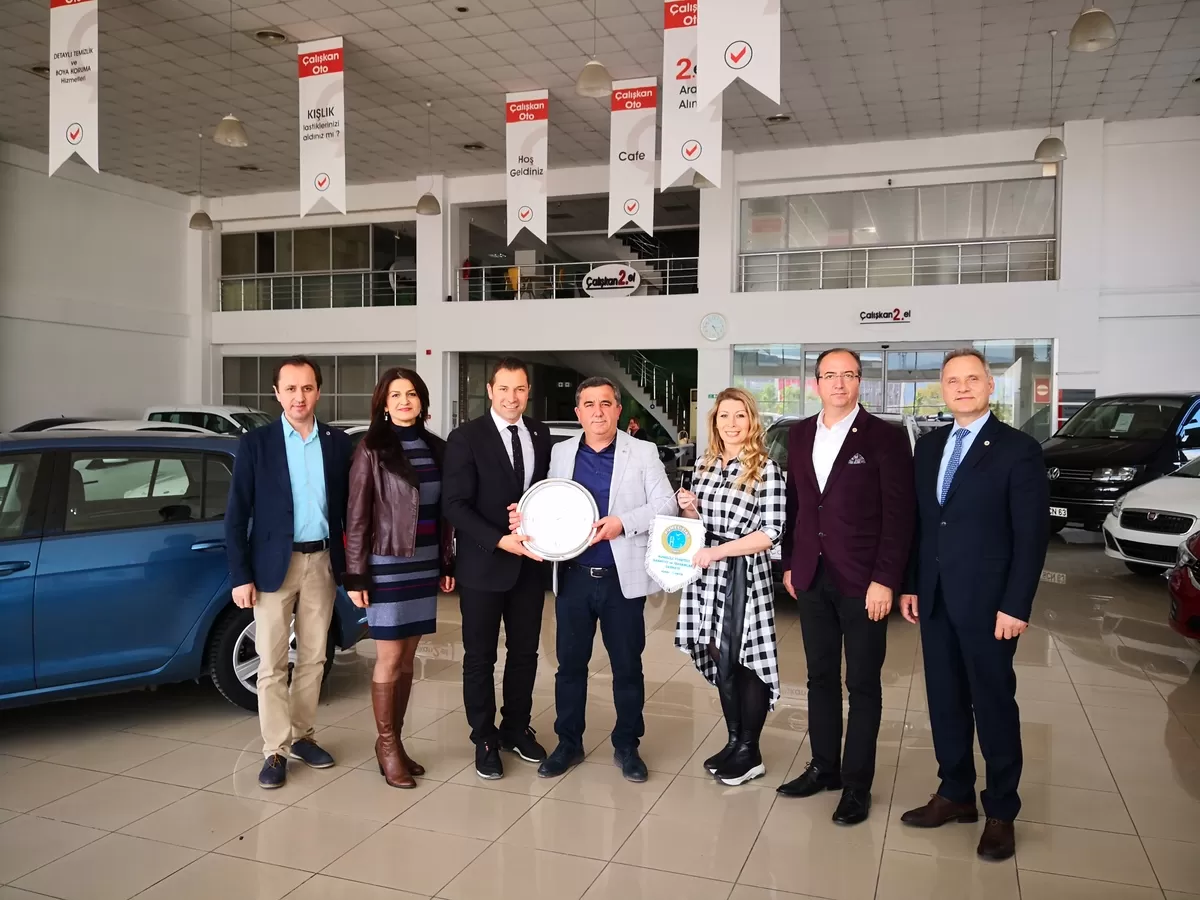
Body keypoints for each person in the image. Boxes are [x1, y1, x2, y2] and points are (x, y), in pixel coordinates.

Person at [898, 349, 1049, 861]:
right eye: (952, 381)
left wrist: (1017, 604)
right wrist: (912, 584)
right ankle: (956, 792)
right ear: (942, 389)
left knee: (993, 703)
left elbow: (1031, 536)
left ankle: (1001, 809)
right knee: (944, 699)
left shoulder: (1018, 449)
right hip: (936, 597)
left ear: (989, 386)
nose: (962, 388)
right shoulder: (929, 446)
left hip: (990, 604)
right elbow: (923, 524)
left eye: (972, 379)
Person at [777, 348, 914, 826]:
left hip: (863, 583)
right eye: (830, 375)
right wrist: (791, 564)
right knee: (818, 678)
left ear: (860, 381)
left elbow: (899, 516)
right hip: (811, 577)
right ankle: (824, 767)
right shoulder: (799, 434)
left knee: (862, 684)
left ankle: (857, 785)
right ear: (816, 383)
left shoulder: (885, 437)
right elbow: (796, 505)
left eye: (848, 375)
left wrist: (886, 580)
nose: (839, 383)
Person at [519, 377, 677, 782]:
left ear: (618, 410)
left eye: (606, 403)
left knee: (627, 667)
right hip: (573, 577)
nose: (598, 411)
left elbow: (666, 504)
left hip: (621, 579)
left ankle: (627, 745)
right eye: (589, 404)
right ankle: (568, 743)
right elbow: (547, 502)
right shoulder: (561, 453)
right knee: (570, 666)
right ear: (578, 412)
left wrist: (623, 522)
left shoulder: (642, 452)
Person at [225, 355, 353, 790]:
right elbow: (236, 515)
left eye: (307, 388)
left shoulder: (337, 443)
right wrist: (240, 575)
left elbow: (351, 508)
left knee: (314, 658)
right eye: (291, 388)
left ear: (319, 392)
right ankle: (275, 750)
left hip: (323, 562)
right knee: (272, 662)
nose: (300, 397)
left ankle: (303, 736)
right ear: (277, 393)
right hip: (272, 567)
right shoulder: (256, 444)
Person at [344, 368, 455, 789]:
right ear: (383, 403)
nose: (404, 401)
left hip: (424, 562)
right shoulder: (371, 448)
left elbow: (445, 512)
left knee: (409, 658)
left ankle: (396, 742)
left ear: (422, 401)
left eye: (411, 394)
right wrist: (356, 576)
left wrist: (447, 563)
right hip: (387, 563)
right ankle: (386, 745)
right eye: (395, 395)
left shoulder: (437, 448)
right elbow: (356, 516)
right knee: (390, 658)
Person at [443, 357, 552, 779]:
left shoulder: (540, 434)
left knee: (525, 653)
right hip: (484, 564)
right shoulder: (466, 437)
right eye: (504, 389)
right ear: (490, 391)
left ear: (528, 392)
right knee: (480, 657)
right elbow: (454, 505)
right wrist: (498, 538)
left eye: (520, 389)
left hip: (530, 567)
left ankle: (515, 728)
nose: (512, 397)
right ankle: (484, 737)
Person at [675, 388, 785, 786]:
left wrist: (718, 552)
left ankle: (750, 751)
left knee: (744, 658)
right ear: (715, 421)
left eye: (740, 415)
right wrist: (690, 508)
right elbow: (702, 524)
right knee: (718, 654)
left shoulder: (765, 469)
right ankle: (734, 739)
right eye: (724, 416)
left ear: (751, 421)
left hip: (742, 573)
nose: (732, 423)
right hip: (707, 573)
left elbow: (771, 532)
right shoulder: (705, 465)